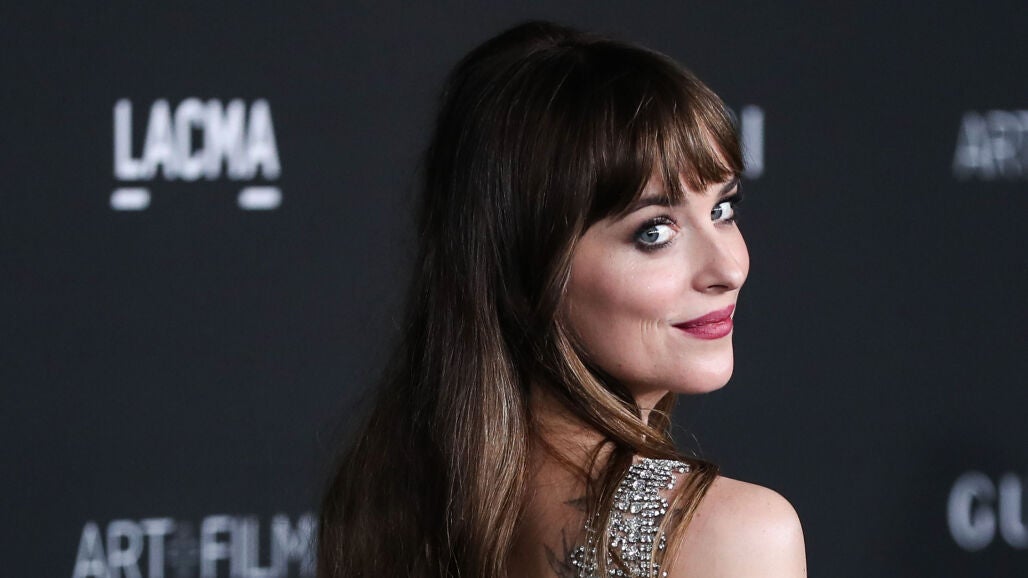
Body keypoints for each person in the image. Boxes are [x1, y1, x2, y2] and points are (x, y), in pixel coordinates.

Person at [318, 20, 806, 578]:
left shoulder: (379, 504)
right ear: (529, 268)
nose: (729, 268)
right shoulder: (734, 534)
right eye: (654, 232)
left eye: (722, 209)